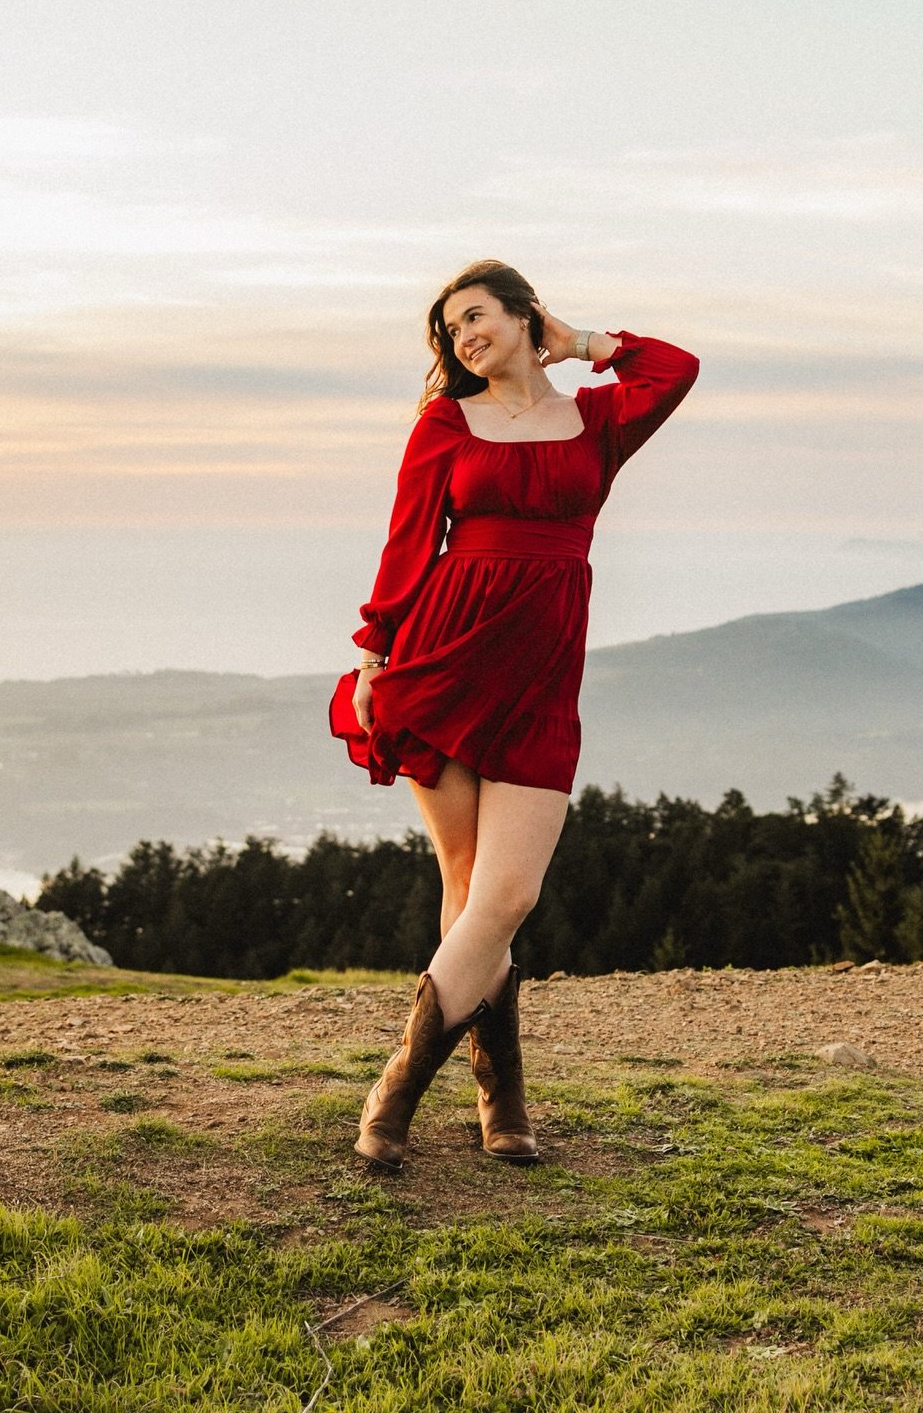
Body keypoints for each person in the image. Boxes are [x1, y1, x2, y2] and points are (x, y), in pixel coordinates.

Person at [328, 259, 699, 1170]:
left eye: (477, 316)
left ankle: (393, 1092)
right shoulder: (447, 423)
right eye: (451, 330)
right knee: (468, 891)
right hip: (446, 653)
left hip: (540, 672)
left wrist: (580, 345)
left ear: (525, 315)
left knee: (506, 896)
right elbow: (408, 539)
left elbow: (674, 368)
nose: (463, 337)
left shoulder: (600, 420)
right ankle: (504, 1101)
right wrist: (375, 655)